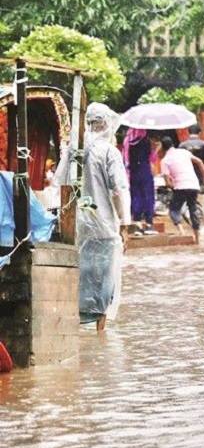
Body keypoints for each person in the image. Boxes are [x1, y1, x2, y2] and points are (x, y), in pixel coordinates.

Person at [55, 103, 131, 331]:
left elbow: (59, 183)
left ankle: (73, 328)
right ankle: (100, 331)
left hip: (75, 224)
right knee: (104, 280)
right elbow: (118, 190)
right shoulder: (109, 152)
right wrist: (125, 224)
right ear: (106, 124)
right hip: (103, 225)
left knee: (78, 275)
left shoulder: (72, 150)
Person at [160, 136, 204, 243]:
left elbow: (168, 183)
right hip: (194, 185)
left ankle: (182, 232)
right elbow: (199, 162)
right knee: (193, 208)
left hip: (180, 187)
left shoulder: (165, 160)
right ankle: (197, 238)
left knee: (174, 210)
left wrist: (173, 185)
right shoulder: (184, 152)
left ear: (162, 147)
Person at [181, 125, 204, 235]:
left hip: (186, 180)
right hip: (202, 180)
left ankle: (195, 230)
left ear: (188, 132)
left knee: (189, 205)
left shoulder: (182, 145)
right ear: (199, 133)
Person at [122, 128, 156, 233]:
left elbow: (125, 158)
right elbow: (152, 159)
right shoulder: (146, 141)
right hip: (145, 171)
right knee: (148, 196)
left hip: (133, 172)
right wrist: (155, 149)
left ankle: (137, 223)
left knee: (136, 196)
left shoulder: (127, 141)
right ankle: (149, 223)